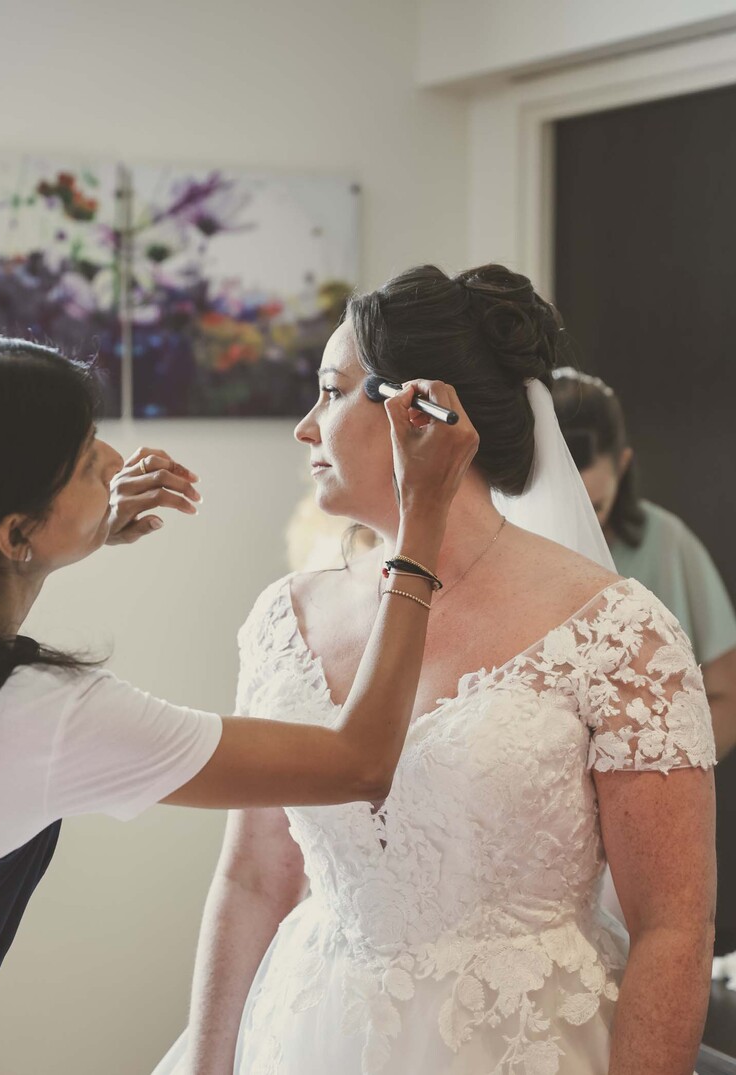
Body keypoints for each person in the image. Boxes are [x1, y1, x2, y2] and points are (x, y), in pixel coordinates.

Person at [155, 265, 716, 1075]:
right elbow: (250, 880)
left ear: (420, 409)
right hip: (313, 1031)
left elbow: (673, 923)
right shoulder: (284, 618)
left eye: (331, 392)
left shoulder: (617, 631)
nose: (305, 428)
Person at [0, 335, 477, 1046]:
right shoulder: (39, 716)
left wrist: (74, 531)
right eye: (85, 462)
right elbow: (359, 764)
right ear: (15, 534)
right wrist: (421, 525)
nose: (116, 461)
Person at [552, 367, 736, 761]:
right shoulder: (508, 554)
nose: (583, 524)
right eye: (566, 506)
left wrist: (674, 771)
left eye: (595, 507)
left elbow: (729, 694)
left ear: (622, 465)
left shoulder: (669, 543)